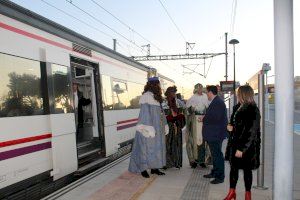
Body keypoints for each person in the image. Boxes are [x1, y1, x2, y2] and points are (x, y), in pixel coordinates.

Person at [223, 85, 261, 200]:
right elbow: (234, 125)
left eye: (238, 93)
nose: (237, 95)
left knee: (247, 170)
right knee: (233, 169)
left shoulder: (253, 109)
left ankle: (248, 195)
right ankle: (232, 192)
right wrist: (230, 127)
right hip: (235, 143)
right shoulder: (237, 107)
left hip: (247, 147)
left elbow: (251, 132)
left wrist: (241, 148)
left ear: (244, 94)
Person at [128, 77, 168, 178]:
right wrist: (148, 128)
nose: (158, 86)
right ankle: (143, 169)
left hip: (158, 127)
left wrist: (165, 124)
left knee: (156, 147)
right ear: (152, 85)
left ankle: (154, 168)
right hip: (148, 128)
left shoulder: (157, 97)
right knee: (145, 148)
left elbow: (162, 113)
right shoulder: (146, 97)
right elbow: (144, 114)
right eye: (157, 84)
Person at [201, 85, 227, 184]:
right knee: (215, 155)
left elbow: (215, 118)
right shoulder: (216, 102)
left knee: (217, 155)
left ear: (210, 92)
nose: (206, 94)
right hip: (214, 133)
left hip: (216, 134)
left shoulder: (218, 103)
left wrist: (204, 118)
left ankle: (220, 176)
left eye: (207, 92)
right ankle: (215, 172)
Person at [186, 83, 209, 168]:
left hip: (204, 121)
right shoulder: (192, 98)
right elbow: (188, 111)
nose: (200, 90)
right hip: (195, 121)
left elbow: (208, 108)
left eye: (201, 88)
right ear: (196, 90)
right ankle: (194, 160)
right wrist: (192, 109)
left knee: (204, 140)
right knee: (194, 141)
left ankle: (203, 160)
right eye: (198, 89)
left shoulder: (205, 97)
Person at [163, 86, 185, 169]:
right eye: (173, 92)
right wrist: (172, 116)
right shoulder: (164, 102)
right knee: (167, 144)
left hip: (176, 126)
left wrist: (178, 117)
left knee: (177, 144)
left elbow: (181, 112)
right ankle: (167, 163)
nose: (174, 94)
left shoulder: (177, 101)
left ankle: (176, 162)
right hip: (168, 127)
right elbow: (163, 115)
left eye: (175, 92)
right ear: (169, 93)